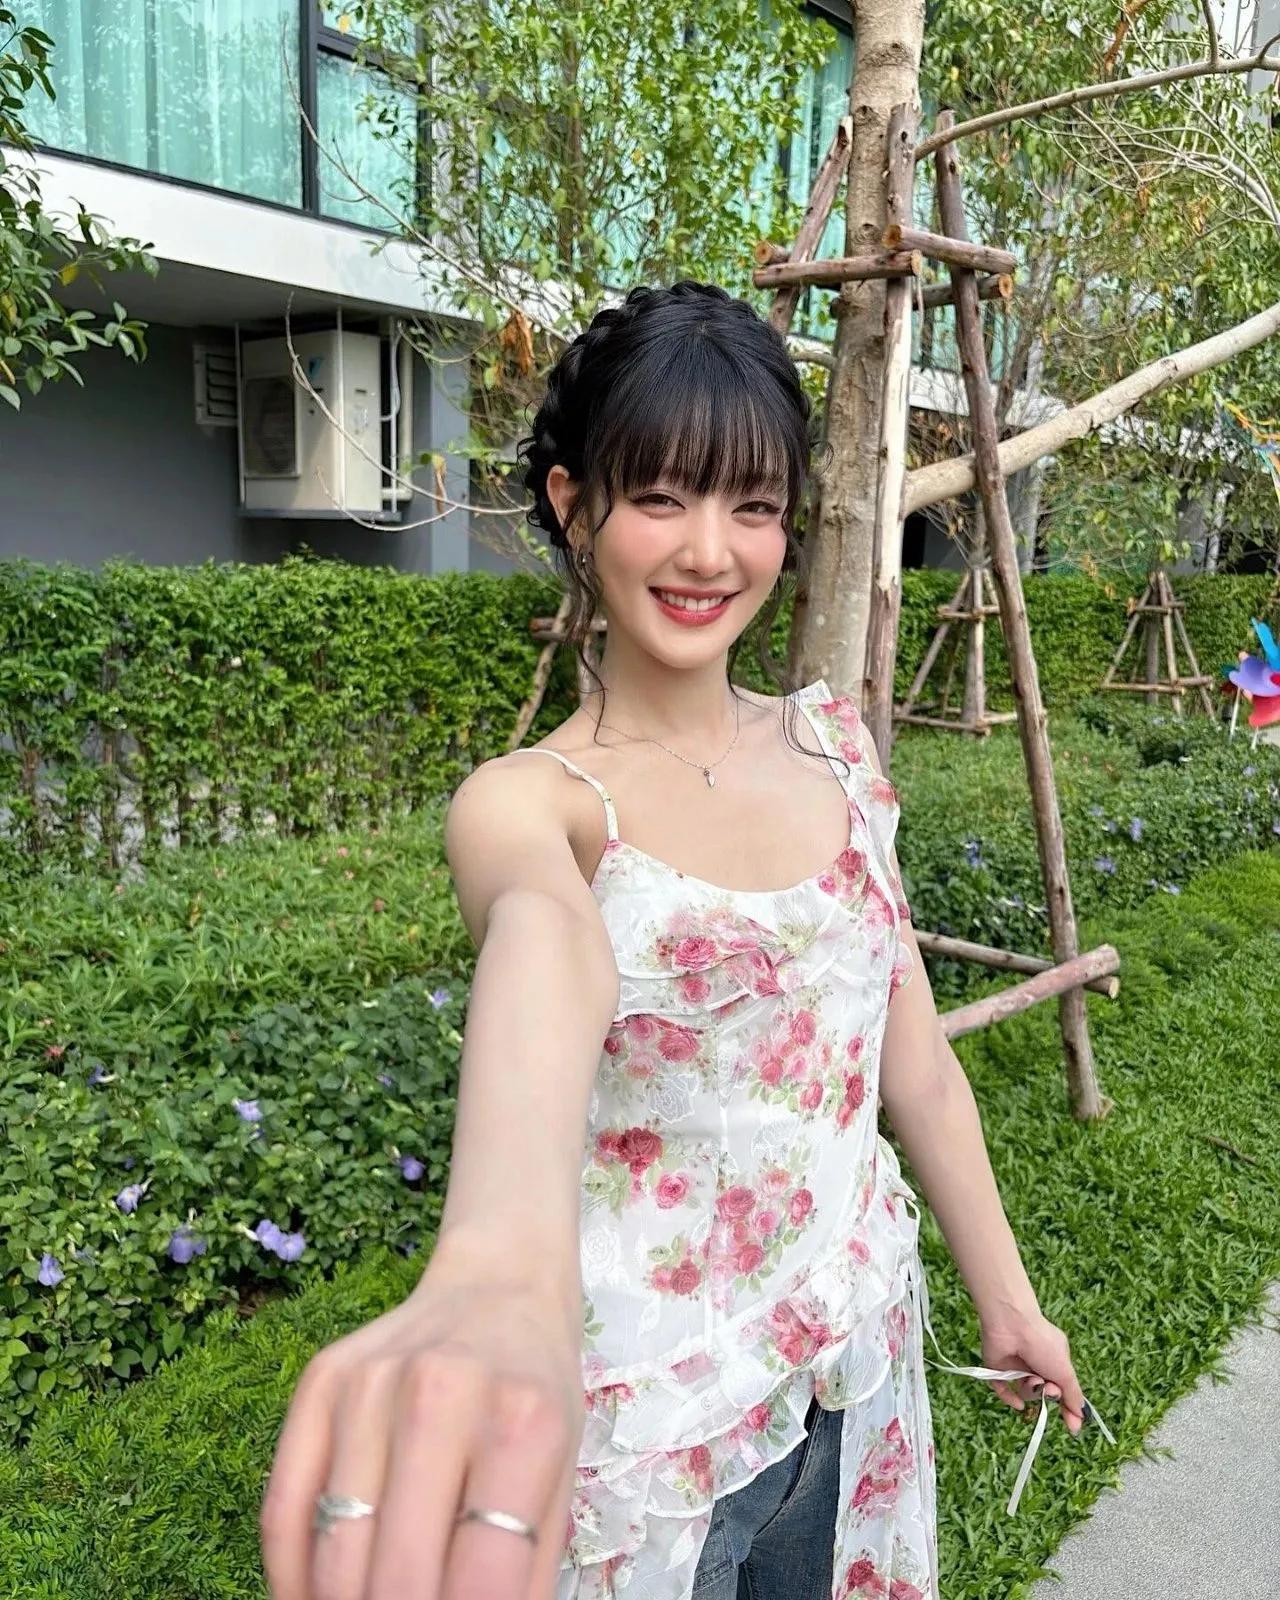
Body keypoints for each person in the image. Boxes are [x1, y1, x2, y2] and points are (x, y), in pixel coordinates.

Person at [259, 281, 1110, 1600]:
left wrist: (1008, 1302)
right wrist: (491, 1269)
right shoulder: (532, 806)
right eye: (660, 496)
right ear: (572, 505)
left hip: (851, 1358)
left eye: (752, 506)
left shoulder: (839, 749)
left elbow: (915, 1067)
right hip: (646, 1442)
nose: (710, 551)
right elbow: (543, 944)